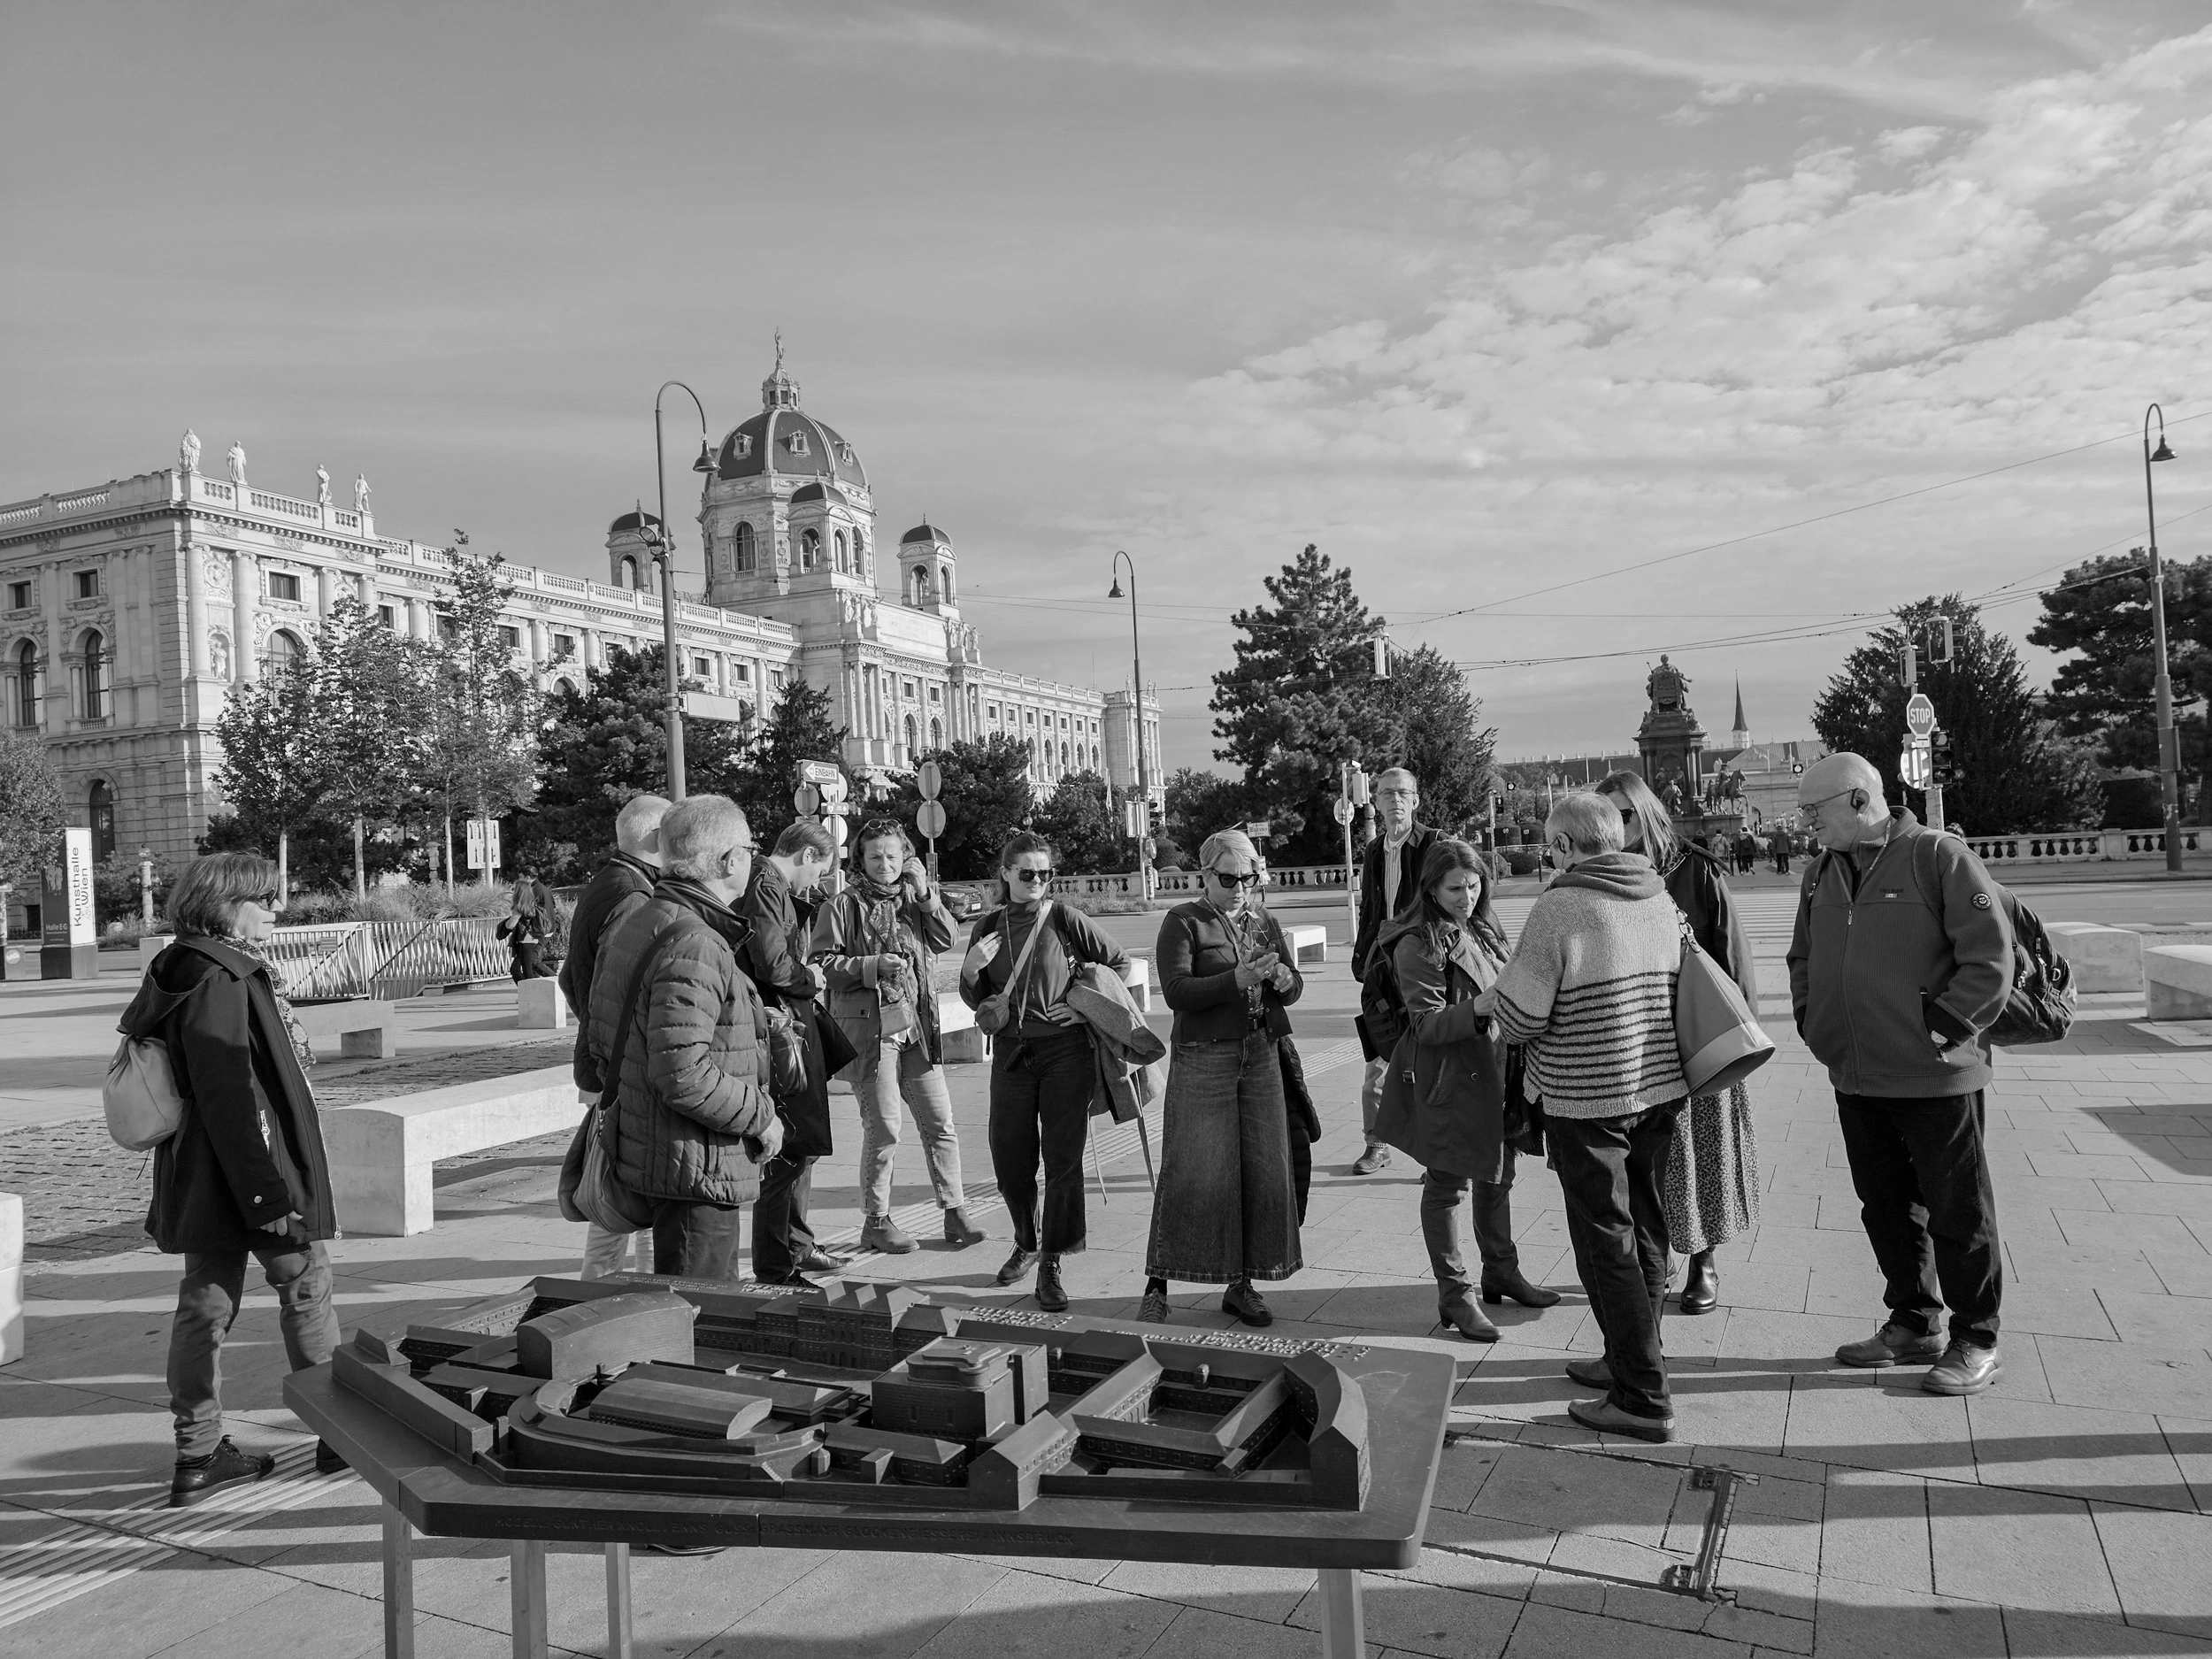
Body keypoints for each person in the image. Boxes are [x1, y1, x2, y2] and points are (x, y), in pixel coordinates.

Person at [1787, 754, 2013, 1395]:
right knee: (1885, 1207)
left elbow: (1990, 956)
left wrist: (1941, 1027)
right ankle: (1915, 1319)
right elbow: (1802, 953)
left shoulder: (1936, 856)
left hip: (1937, 1077)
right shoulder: (1819, 872)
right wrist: (1814, 1020)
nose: (1807, 824)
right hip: (1857, 1077)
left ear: (1860, 801)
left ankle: (1978, 1336)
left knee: (1958, 1212)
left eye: (1815, 810)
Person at [121, 852, 342, 1505]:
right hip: (248, 1166)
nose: (278, 907)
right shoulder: (220, 975)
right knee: (306, 1285)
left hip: (202, 1166)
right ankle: (338, 1431)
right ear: (227, 904)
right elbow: (227, 1093)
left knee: (206, 1303)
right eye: (265, 897)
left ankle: (197, 1452)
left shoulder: (182, 965)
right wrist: (264, 1190)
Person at [1476, 795, 1689, 1442]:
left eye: (1550, 847)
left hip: (1588, 1096)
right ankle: (1631, 1360)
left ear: (1565, 846)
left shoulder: (1560, 905)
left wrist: (1490, 1001)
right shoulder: (1655, 893)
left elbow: (1520, 1017)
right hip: (1657, 1087)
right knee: (1646, 1229)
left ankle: (1643, 1397)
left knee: (1607, 1242)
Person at [579, 795, 783, 1279]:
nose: (752, 859)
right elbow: (684, 1073)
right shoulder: (694, 940)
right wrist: (761, 1116)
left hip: (668, 1154)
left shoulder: (646, 917)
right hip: (696, 1168)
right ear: (731, 859)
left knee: (675, 1312)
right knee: (703, 1321)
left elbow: (610, 1035)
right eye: (750, 848)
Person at [1372, 839, 1559, 1342]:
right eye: (1456, 888)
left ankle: (1501, 1270)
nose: (1467, 896)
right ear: (1431, 887)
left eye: (1475, 885)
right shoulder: (1418, 941)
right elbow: (1425, 1026)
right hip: (1451, 1079)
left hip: (1497, 1071)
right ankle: (1455, 1295)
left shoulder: (1481, 926)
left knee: (1499, 1175)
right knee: (1447, 1187)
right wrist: (1482, 1007)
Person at [1597, 772, 1760, 1315]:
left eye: (1625, 814)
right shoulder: (1595, 876)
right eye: (1607, 815)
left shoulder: (1694, 869)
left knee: (1700, 1156)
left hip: (1693, 1037)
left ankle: (1704, 1261)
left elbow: (1732, 961)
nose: (1616, 826)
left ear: (1646, 812)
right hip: (1633, 1046)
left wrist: (1737, 1039)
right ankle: (1655, 1255)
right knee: (1647, 1161)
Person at [1141, 829, 1303, 1327]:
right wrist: (1236, 980)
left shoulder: (1263, 920)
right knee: (1193, 1166)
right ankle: (1157, 1282)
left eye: (1248, 877)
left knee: (1259, 1167)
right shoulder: (1183, 920)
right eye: (1228, 877)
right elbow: (1176, 992)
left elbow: (1293, 989)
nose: (1239, 887)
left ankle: (1242, 1284)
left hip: (1261, 1052)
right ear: (1206, 875)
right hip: (1204, 1057)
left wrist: (1281, 980)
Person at [961, 831, 1129, 1310]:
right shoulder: (987, 927)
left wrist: (1083, 1008)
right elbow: (979, 1001)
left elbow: (1119, 962)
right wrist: (972, 969)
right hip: (1012, 1054)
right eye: (1027, 873)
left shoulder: (1064, 918)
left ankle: (1052, 1261)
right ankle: (1025, 1241)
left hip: (1065, 1053)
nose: (1037, 881)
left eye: (1045, 873)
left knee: (1062, 1162)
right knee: (1010, 1161)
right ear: (1006, 874)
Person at [813, 818, 987, 1256]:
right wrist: (872, 967)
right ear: (861, 860)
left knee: (940, 1123)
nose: (885, 864)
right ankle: (876, 1221)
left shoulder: (914, 898)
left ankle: (955, 1211)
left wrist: (926, 894)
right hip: (871, 1033)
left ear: (905, 856)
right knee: (885, 1129)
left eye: (892, 855)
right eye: (875, 856)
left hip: (916, 1029)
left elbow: (946, 939)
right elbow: (820, 965)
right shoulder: (843, 905)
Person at [560, 794, 670, 1279]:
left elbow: (570, 978)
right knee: (622, 1195)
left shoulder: (608, 882)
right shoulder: (635, 895)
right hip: (619, 1069)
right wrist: (607, 1040)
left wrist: (591, 1026)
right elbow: (618, 988)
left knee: (626, 1194)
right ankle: (613, 1300)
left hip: (605, 1061)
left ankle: (632, 1297)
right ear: (655, 838)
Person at [741, 818, 845, 1285]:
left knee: (799, 1149)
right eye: (819, 871)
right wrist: (812, 978)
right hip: (780, 1027)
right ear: (806, 855)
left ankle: (796, 1247)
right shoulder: (765, 883)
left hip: (787, 1023)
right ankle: (777, 1267)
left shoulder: (769, 883)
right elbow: (773, 962)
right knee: (787, 1153)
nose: (817, 883)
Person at [1351, 767, 1441, 1174]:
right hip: (1381, 969)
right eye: (1386, 794)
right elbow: (1371, 910)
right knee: (1378, 1060)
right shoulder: (1373, 850)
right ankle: (1377, 1144)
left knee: (1429, 1062)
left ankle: (1436, 1153)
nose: (1394, 801)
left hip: (1420, 965)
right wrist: (1363, 958)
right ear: (1376, 802)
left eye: (1402, 793)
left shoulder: (1434, 844)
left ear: (1416, 799)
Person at [501, 867, 555, 981]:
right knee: (529, 965)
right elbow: (553, 906)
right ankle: (534, 992)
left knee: (530, 963)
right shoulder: (543, 889)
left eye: (521, 877)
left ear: (528, 878)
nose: (519, 881)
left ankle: (557, 983)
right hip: (542, 930)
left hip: (535, 933)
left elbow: (523, 913)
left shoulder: (531, 891)